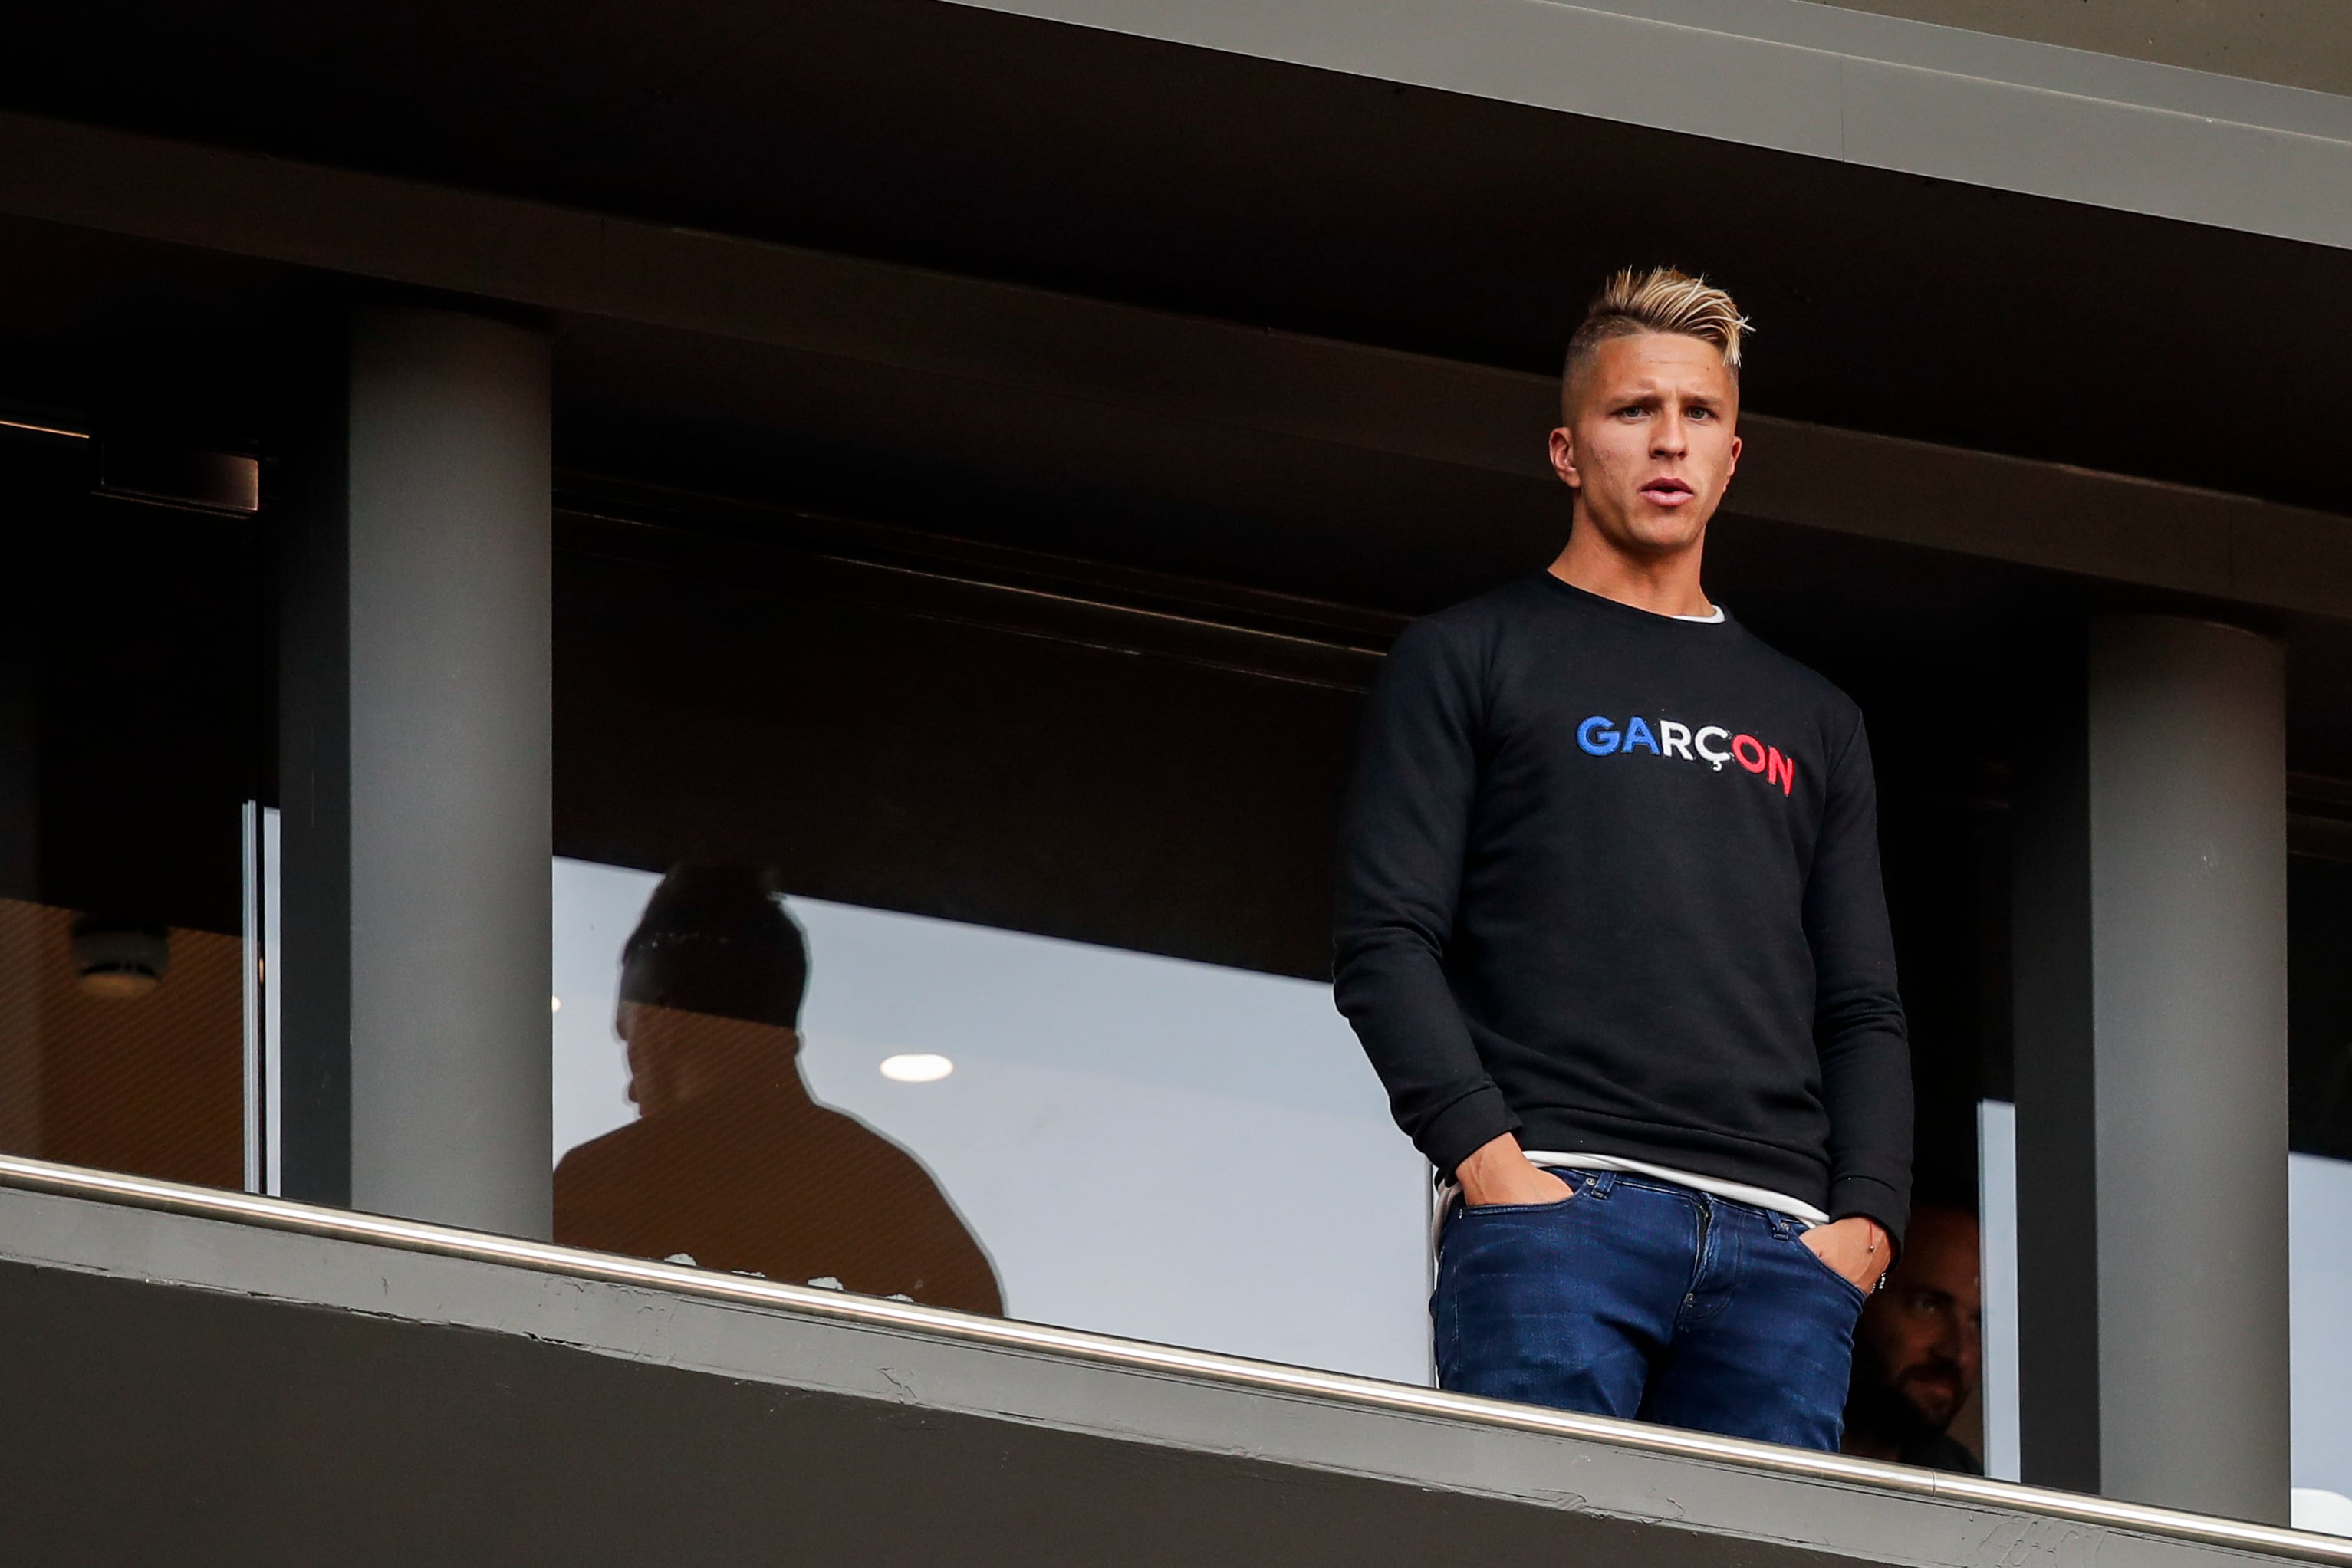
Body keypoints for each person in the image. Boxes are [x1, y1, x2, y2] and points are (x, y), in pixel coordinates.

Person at [1333, 266, 1910, 1450]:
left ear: (1732, 457)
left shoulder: (1811, 717)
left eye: (1699, 415)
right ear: (1564, 447)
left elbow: (1861, 1006)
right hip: (1557, 1207)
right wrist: (1489, 1166)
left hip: (1781, 1247)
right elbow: (1383, 941)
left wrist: (1862, 1226)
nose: (1667, 441)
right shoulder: (1469, 655)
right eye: (1630, 410)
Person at [554, 864, 1003, 1315]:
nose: (631, 1092)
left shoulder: (607, 1184)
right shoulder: (896, 1196)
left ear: (665, 1023)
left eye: (627, 1039)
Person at [1842, 1203, 1983, 1471]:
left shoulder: (1970, 1497)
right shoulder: (1755, 1453)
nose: (1958, 1353)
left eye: (1977, 1322)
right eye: (1927, 1306)